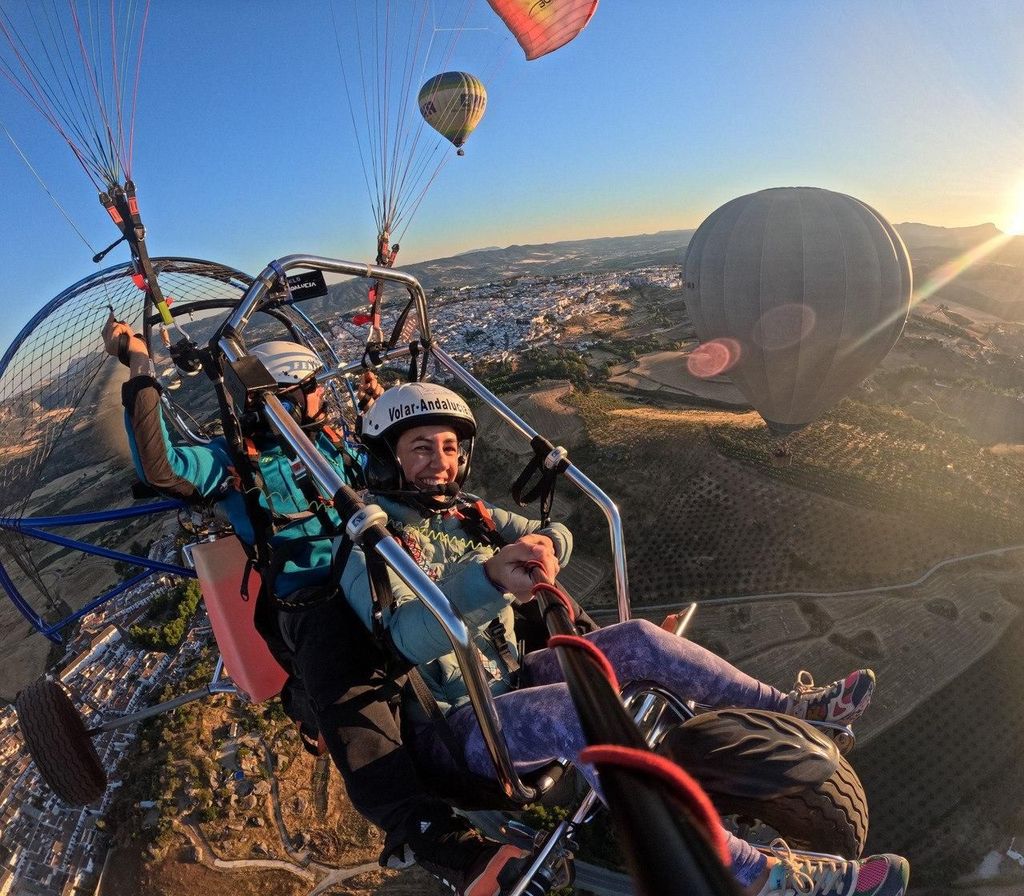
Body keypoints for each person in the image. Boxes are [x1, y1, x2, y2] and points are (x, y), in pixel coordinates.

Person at [342, 381, 911, 896]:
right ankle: (760, 877)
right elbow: (403, 639)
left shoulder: (468, 516)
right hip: (451, 725)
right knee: (579, 711)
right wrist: (488, 580)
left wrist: (547, 549)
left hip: (509, 677)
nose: (439, 462)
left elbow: (552, 532)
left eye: (448, 448)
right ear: (389, 460)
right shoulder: (374, 543)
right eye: (421, 447)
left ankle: (794, 710)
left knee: (637, 638)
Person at [101, 316, 531, 896]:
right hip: (315, 595)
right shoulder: (234, 463)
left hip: (386, 560)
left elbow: (391, 465)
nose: (325, 395)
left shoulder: (338, 445)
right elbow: (161, 466)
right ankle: (430, 834)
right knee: (350, 692)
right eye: (313, 388)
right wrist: (140, 365)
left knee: (486, 570)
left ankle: (568, 662)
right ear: (284, 397)